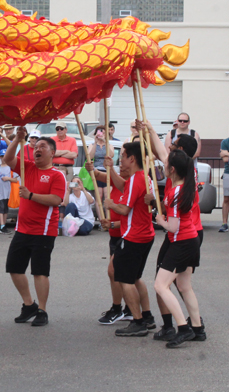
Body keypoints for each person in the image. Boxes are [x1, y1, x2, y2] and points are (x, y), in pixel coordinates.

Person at [3, 128, 66, 327]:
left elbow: (56, 200)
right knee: (14, 268)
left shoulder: (57, 175)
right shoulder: (27, 167)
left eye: (43, 147)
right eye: (36, 146)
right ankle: (29, 304)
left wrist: (30, 195)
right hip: (22, 229)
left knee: (40, 272)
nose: (38, 149)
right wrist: (17, 140)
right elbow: (8, 158)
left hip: (44, 230)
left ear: (52, 153)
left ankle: (42, 310)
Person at [103, 142, 156, 337]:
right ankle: (147, 316)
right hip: (144, 234)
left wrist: (111, 204)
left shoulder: (136, 179)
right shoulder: (143, 178)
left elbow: (124, 209)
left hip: (134, 237)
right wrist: (110, 170)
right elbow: (123, 186)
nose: (121, 160)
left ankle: (138, 321)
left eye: (123, 156)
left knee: (124, 279)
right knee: (134, 278)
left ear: (132, 158)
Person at [154, 150, 203, 348]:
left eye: (166, 164)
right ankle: (198, 328)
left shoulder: (176, 192)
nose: (164, 166)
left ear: (172, 169)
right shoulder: (186, 187)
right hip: (190, 240)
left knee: (160, 285)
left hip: (182, 242)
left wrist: (159, 220)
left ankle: (184, 328)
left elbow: (173, 227)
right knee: (184, 286)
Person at [87, 160, 134, 324]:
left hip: (126, 235)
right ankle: (130, 309)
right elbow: (99, 174)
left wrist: (113, 223)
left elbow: (135, 219)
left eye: (124, 163)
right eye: (119, 163)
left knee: (114, 271)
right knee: (121, 275)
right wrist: (92, 168)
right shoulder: (115, 180)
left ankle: (117, 308)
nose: (120, 167)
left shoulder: (131, 186)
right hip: (114, 237)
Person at [0, 149, 19, 235]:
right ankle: (2, 225)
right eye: (2, 156)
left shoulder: (11, 168)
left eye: (5, 156)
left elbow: (16, 180)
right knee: (0, 209)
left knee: (5, 209)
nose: (3, 158)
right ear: (0, 157)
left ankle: (3, 225)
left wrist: (8, 178)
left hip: (8, 192)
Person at [88, 125, 112, 214]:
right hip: (96, 171)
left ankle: (108, 218)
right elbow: (90, 156)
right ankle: (101, 219)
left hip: (107, 172)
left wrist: (105, 142)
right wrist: (95, 142)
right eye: (99, 132)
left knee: (107, 196)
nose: (101, 134)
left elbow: (112, 154)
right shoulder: (91, 145)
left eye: (103, 132)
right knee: (99, 196)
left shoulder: (109, 145)